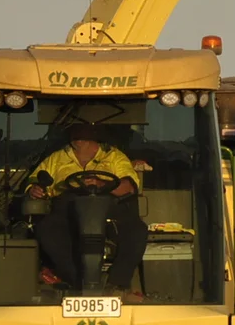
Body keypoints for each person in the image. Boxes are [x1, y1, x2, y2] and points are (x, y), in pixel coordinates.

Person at [28, 122, 147, 294]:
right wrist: (34, 189)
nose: (78, 135)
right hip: (67, 211)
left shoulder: (114, 156)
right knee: (46, 229)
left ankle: (116, 284)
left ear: (94, 131)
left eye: (82, 129)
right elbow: (35, 180)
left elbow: (128, 187)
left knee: (137, 230)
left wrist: (100, 184)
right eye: (74, 129)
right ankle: (75, 282)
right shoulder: (56, 158)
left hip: (108, 210)